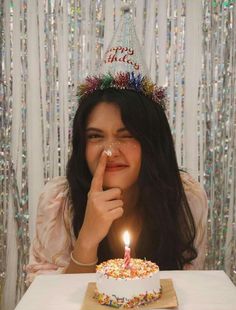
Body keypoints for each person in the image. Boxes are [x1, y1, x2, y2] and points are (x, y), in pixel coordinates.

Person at [26, 86, 208, 284]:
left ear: (152, 142)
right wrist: (87, 240)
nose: (110, 151)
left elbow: (190, 286)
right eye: (95, 136)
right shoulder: (58, 201)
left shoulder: (185, 197)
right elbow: (48, 301)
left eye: (126, 135)